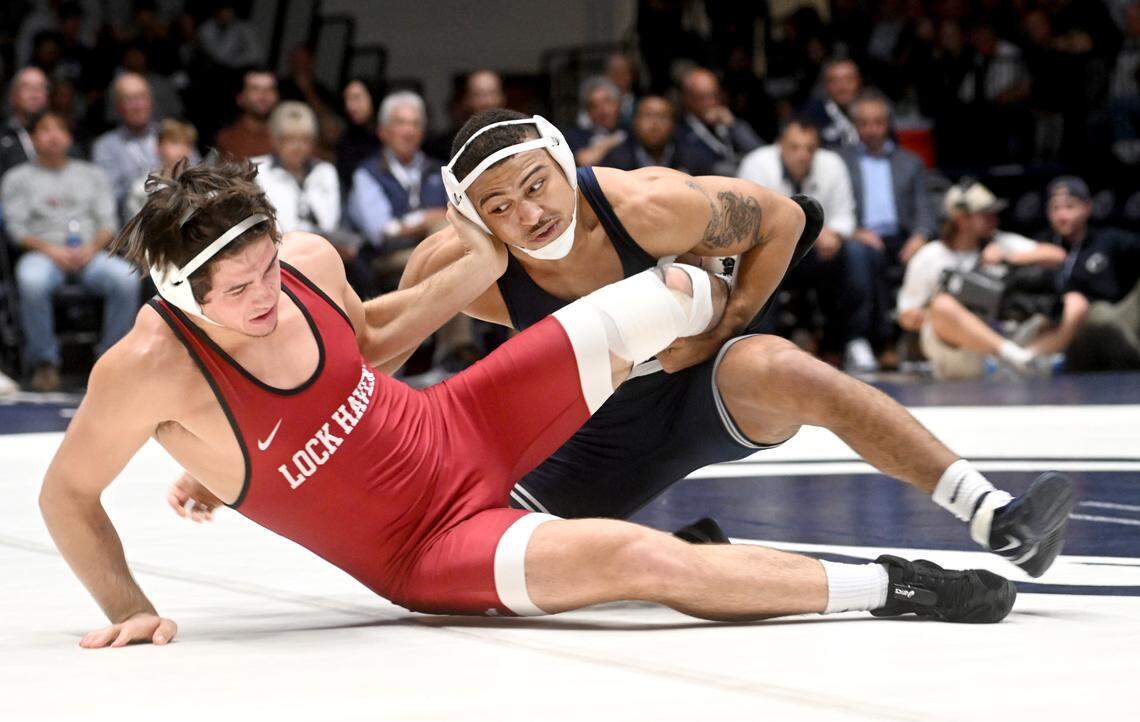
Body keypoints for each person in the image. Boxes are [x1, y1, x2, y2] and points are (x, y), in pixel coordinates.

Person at [43, 155, 1016, 653]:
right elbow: (65, 497)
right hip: (429, 545)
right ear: (178, 297)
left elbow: (360, 357)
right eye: (238, 292)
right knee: (644, 560)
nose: (265, 298)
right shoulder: (145, 370)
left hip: (458, 422)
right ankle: (899, 582)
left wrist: (212, 456)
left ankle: (707, 422)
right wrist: (129, 605)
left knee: (666, 294)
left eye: (265, 267)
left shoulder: (307, 263)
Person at [377, 110, 1070, 581]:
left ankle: (994, 516)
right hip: (591, 442)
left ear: (562, 160)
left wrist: (724, 325)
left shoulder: (644, 205)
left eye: (536, 186)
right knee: (484, 575)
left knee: (789, 370)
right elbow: (371, 365)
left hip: (696, 391)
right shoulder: (464, 266)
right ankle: (682, 555)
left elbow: (789, 218)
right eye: (498, 208)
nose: (529, 216)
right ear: (471, 216)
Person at [2, 110, 135, 392]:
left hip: (90, 253)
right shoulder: (17, 178)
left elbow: (108, 224)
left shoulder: (92, 174)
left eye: (59, 129)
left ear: (69, 137)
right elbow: (16, 229)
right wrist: (51, 250)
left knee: (125, 278)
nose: (53, 136)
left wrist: (91, 248)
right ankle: (44, 362)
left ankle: (111, 363)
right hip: (43, 253)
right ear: (34, 137)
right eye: (45, 130)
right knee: (31, 280)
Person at [737, 116, 877, 371]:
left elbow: (845, 215)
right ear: (780, 145)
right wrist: (804, 234)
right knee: (754, 260)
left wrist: (833, 234)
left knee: (857, 253)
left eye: (809, 148)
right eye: (794, 147)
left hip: (819, 252)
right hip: (770, 250)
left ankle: (855, 340)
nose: (802, 155)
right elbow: (749, 221)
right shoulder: (756, 164)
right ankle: (757, 344)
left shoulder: (832, 164)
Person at [896, 181, 1066, 379]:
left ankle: (1024, 358)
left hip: (1005, 332)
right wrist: (930, 314)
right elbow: (906, 315)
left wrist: (1008, 257)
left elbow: (1057, 255)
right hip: (959, 350)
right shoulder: (930, 256)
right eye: (986, 214)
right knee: (942, 304)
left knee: (1074, 303)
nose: (994, 219)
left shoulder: (999, 242)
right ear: (962, 219)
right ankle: (1017, 358)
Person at [840, 90, 938, 345]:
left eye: (878, 122)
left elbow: (924, 208)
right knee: (860, 254)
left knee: (933, 254)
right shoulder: (840, 160)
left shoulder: (910, 162)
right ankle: (865, 340)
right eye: (864, 123)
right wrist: (853, 231)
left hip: (903, 238)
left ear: (888, 124)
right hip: (860, 236)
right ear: (855, 125)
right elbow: (834, 204)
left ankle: (921, 342)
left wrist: (921, 236)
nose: (871, 129)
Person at [1029, 176, 1140, 361]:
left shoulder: (1109, 240)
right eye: (1055, 208)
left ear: (1087, 208)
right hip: (1059, 324)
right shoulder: (1040, 245)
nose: (1062, 215)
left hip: (1110, 318)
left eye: (1070, 207)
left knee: (1101, 316)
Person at [347, 91, 446, 291]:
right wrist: (424, 220)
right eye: (401, 123)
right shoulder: (368, 173)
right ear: (383, 131)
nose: (409, 131)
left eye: (415, 124)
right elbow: (381, 233)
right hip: (387, 261)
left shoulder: (440, 170)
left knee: (453, 261)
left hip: (437, 252)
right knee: (448, 264)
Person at [255, 102, 340, 235]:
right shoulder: (257, 171)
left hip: (320, 246)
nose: (297, 146)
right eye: (289, 139)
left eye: (304, 139)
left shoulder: (326, 171)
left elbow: (329, 225)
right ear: (275, 140)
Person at [91, 73, 161, 215]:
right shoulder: (105, 146)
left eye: (142, 97)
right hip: (131, 223)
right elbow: (108, 195)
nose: (137, 105)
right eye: (129, 99)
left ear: (151, 101)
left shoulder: (170, 134)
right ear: (118, 106)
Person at [677, 67, 762, 176]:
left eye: (715, 95)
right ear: (688, 99)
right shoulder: (680, 130)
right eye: (703, 97)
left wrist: (733, 126)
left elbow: (760, 153)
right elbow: (700, 165)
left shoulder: (728, 122)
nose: (712, 102)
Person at [600, 95, 704, 173]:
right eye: (648, 116)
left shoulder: (693, 160)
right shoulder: (615, 163)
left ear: (674, 125)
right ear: (635, 122)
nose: (655, 124)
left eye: (662, 117)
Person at [124, 119, 198, 220]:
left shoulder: (200, 187)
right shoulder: (141, 189)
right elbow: (135, 229)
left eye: (187, 144)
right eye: (175, 143)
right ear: (158, 147)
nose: (182, 150)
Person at [215, 68, 278, 161]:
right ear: (240, 98)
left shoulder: (289, 135)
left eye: (270, 89)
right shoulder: (227, 139)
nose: (264, 95)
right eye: (255, 89)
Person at [0, 66, 50, 178]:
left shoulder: (60, 137)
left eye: (41, 88)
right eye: (27, 88)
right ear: (13, 96)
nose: (35, 94)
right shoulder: (3, 137)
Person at [802, 58, 863, 149]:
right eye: (835, 81)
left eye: (849, 80)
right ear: (826, 85)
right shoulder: (810, 115)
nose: (843, 87)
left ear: (858, 82)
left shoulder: (873, 110)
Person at [567, 77, 627, 167]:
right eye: (594, 106)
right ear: (588, 112)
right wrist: (610, 141)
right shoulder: (577, 135)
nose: (602, 110)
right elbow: (585, 161)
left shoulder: (630, 130)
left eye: (607, 101)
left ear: (617, 104)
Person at [335, 78, 380, 193]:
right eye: (347, 99)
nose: (350, 106)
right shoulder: (346, 139)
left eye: (356, 98)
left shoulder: (390, 134)